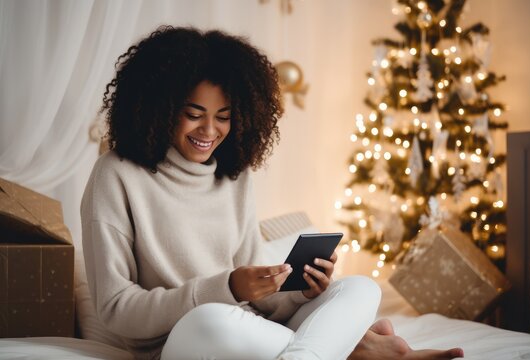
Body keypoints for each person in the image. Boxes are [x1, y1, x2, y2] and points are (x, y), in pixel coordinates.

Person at [81, 25, 464, 360]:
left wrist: (299, 292)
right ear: (159, 108)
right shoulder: (116, 175)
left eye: (224, 116)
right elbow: (117, 309)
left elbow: (260, 302)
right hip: (184, 340)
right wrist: (226, 287)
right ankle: (357, 350)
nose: (209, 130)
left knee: (360, 289)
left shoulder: (234, 176)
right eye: (194, 114)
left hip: (250, 328)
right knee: (212, 320)